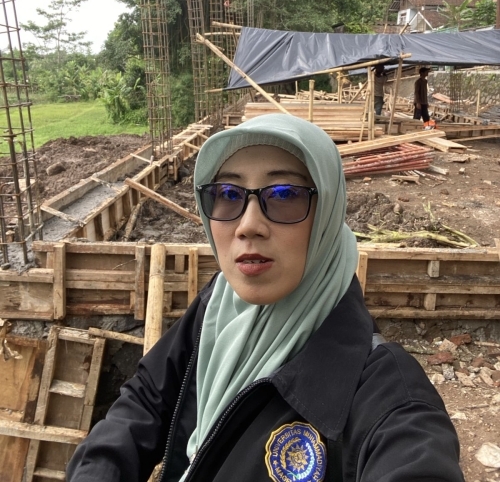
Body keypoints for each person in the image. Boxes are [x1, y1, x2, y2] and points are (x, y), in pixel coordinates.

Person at [67, 114, 464, 482]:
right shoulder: (218, 306)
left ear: (327, 212)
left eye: (285, 193)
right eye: (227, 192)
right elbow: (145, 399)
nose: (248, 225)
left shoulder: (386, 394)